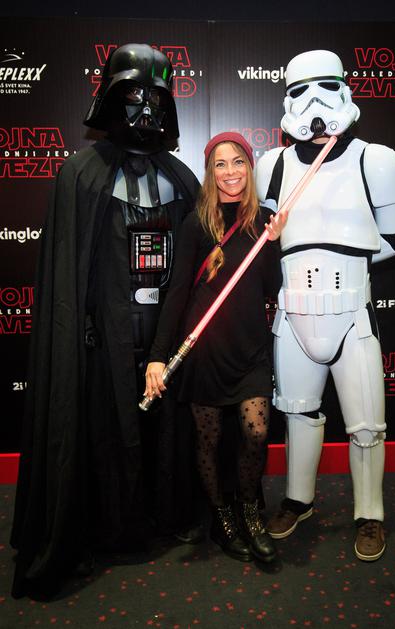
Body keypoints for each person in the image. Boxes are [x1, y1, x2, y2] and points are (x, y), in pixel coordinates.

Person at [10, 43, 200, 598]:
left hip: (164, 334)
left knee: (164, 428)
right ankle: (104, 527)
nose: (145, 110)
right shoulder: (82, 175)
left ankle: (166, 515)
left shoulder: (183, 179)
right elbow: (69, 276)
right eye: (133, 96)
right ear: (111, 98)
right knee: (103, 430)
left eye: (156, 98)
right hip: (105, 338)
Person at [256, 50, 395, 561]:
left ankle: (370, 513)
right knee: (297, 413)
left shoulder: (376, 160)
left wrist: (340, 255)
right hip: (293, 315)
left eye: (325, 86)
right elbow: (265, 236)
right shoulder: (271, 166)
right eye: (300, 90)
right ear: (286, 99)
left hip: (351, 315)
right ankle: (297, 500)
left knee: (366, 425)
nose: (314, 102)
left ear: (344, 89)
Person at [145, 131, 287, 563]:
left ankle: (249, 511)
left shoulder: (264, 220)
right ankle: (222, 517)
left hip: (250, 347)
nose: (230, 172)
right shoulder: (196, 224)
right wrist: (157, 356)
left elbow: (272, 288)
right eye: (220, 164)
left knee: (256, 432)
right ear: (210, 172)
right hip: (204, 349)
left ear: (249, 167)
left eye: (238, 162)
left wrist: (274, 243)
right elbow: (176, 294)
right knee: (208, 440)